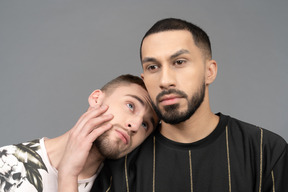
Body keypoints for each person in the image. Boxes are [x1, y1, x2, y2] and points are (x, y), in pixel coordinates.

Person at [91, 18, 288, 191]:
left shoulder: (266, 151)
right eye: (153, 67)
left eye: (179, 62)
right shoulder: (122, 163)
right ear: (145, 78)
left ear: (209, 72)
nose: (165, 80)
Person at [0, 74, 158, 192]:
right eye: (130, 106)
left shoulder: (119, 187)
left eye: (146, 124)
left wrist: (68, 174)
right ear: (96, 99)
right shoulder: (6, 163)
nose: (135, 125)